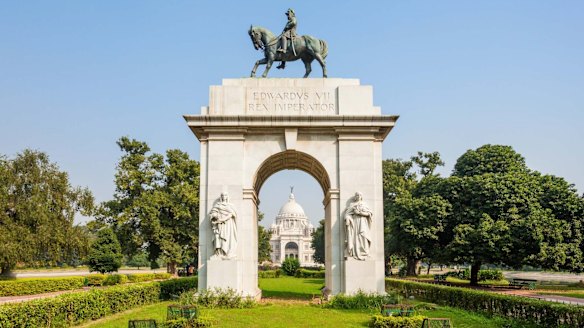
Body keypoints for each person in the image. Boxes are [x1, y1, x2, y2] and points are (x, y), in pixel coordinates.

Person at [344, 192, 373, 260]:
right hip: (355, 223)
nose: (358, 196)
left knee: (363, 236)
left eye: (359, 195)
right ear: (355, 197)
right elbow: (347, 214)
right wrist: (347, 218)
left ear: (361, 196)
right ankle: (356, 251)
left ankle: (364, 252)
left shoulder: (364, 204)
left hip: (363, 222)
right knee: (356, 237)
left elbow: (369, 213)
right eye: (357, 195)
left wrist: (360, 213)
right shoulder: (352, 204)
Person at [209, 192, 238, 259]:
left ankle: (228, 253)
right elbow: (212, 213)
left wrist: (225, 218)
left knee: (227, 238)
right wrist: (215, 216)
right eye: (222, 195)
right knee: (218, 238)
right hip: (219, 224)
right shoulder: (217, 205)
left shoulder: (230, 206)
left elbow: (234, 214)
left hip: (228, 224)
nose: (223, 196)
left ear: (227, 197)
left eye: (225, 195)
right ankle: (219, 253)